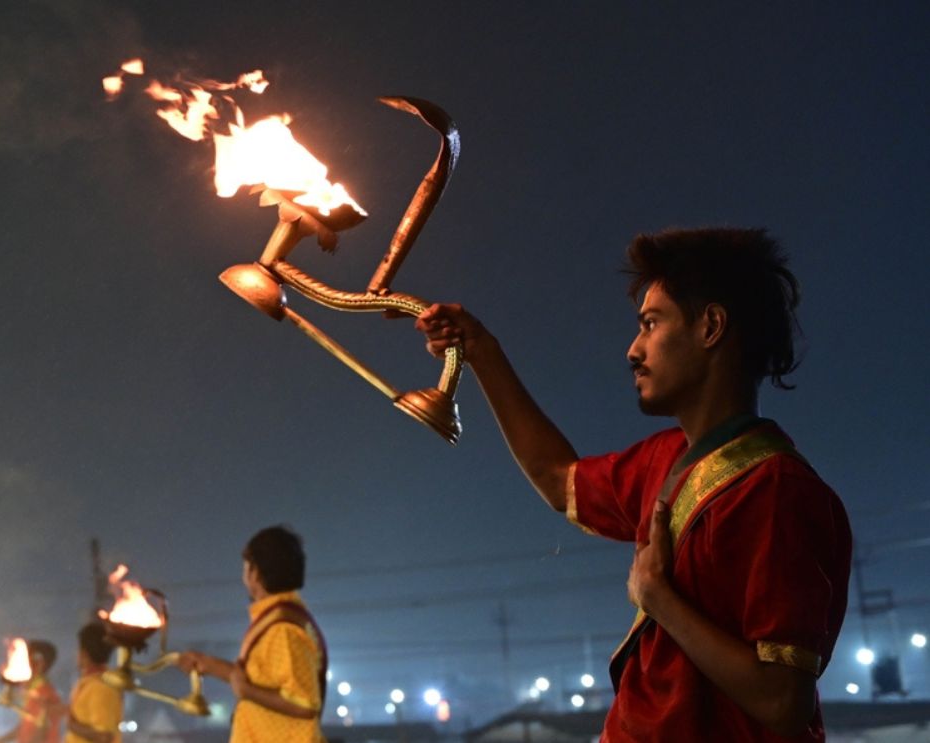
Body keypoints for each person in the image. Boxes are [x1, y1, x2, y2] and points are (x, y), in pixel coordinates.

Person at [415, 228, 851, 742]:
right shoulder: (663, 459)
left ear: (711, 326)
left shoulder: (778, 492)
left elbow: (782, 701)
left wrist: (657, 597)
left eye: (651, 323)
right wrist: (480, 350)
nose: (632, 350)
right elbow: (558, 481)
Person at [179, 525, 328, 743]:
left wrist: (247, 691)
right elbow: (254, 681)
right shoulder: (276, 618)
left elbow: (304, 703)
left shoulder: (284, 629)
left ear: (254, 573)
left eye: (246, 566)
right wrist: (207, 664)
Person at [0, 639, 66, 743]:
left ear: (39, 663)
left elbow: (40, 732)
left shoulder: (45, 694)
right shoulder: (33, 693)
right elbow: (24, 729)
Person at [66, 623, 123, 743]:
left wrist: (73, 726)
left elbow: (104, 737)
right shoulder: (89, 683)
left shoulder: (100, 687)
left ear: (84, 653)